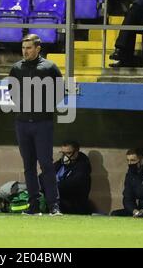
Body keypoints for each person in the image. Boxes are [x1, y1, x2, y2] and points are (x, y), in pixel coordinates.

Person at [8, 34, 63, 215]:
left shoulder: (49, 67)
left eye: (29, 48)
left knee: (46, 164)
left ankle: (53, 205)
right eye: (23, 48)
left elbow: (60, 91)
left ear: (38, 48)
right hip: (22, 124)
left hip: (43, 124)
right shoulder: (16, 68)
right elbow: (12, 92)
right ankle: (33, 206)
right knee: (28, 166)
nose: (25, 51)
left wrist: (44, 106)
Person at [39, 140, 92, 214]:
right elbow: (43, 176)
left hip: (72, 206)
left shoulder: (82, 168)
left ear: (76, 152)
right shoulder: (60, 164)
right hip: (55, 201)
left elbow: (69, 185)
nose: (65, 157)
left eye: (69, 153)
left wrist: (49, 187)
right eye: (63, 153)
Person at [110, 148, 143, 217]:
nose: (129, 163)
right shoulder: (131, 173)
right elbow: (127, 197)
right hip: (139, 209)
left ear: (142, 160)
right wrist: (134, 211)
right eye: (128, 160)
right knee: (115, 214)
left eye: (133, 160)